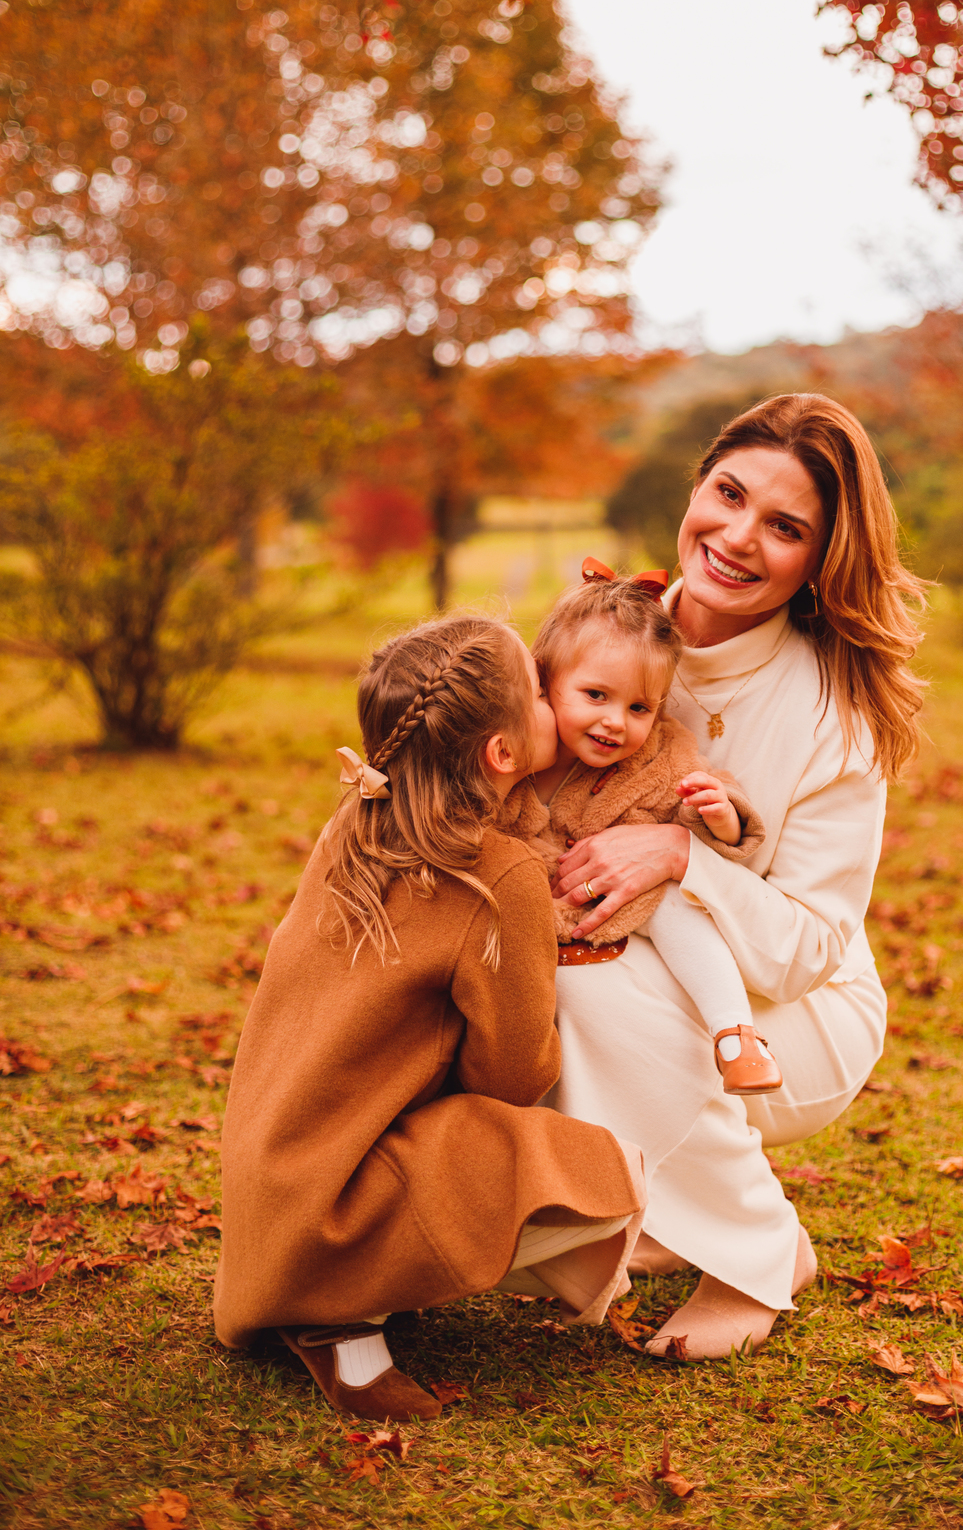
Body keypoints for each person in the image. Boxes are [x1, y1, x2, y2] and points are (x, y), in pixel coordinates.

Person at [544, 393, 926, 1361]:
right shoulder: (604, 635)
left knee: (591, 984)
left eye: (786, 527)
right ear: (698, 486)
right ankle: (595, 1213)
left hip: (790, 1011)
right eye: (729, 494)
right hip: (623, 960)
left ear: (819, 562)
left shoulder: (831, 713)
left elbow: (807, 947)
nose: (738, 537)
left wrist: (680, 857)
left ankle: (759, 1245)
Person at [213, 615, 645, 1422]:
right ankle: (343, 1314)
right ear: (502, 755)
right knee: (603, 1171)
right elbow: (514, 1074)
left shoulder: (354, 822)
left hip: (268, 1191)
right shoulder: (501, 872)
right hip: (328, 1209)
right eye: (540, 691)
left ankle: (335, 1278)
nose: (559, 700)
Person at [516, 556, 781, 1096]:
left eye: (639, 706)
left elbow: (704, 807)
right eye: (596, 696)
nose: (616, 721)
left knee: (678, 907)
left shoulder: (659, 756)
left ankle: (735, 1033)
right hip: (537, 910)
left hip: (626, 906)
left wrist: (719, 813)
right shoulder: (520, 748)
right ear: (546, 678)